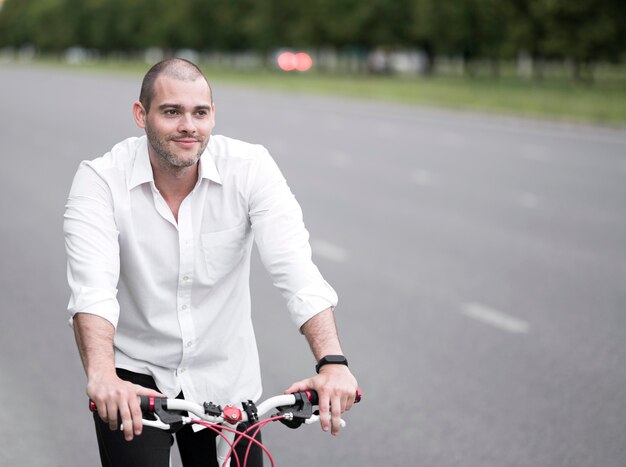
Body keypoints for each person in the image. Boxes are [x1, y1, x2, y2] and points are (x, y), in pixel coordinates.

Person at [63, 57, 358, 467]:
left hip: (226, 382)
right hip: (135, 379)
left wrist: (332, 362)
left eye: (199, 112)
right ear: (140, 114)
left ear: (212, 116)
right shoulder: (100, 180)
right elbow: (91, 290)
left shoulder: (250, 169)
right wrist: (101, 375)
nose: (189, 125)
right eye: (171, 112)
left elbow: (296, 269)